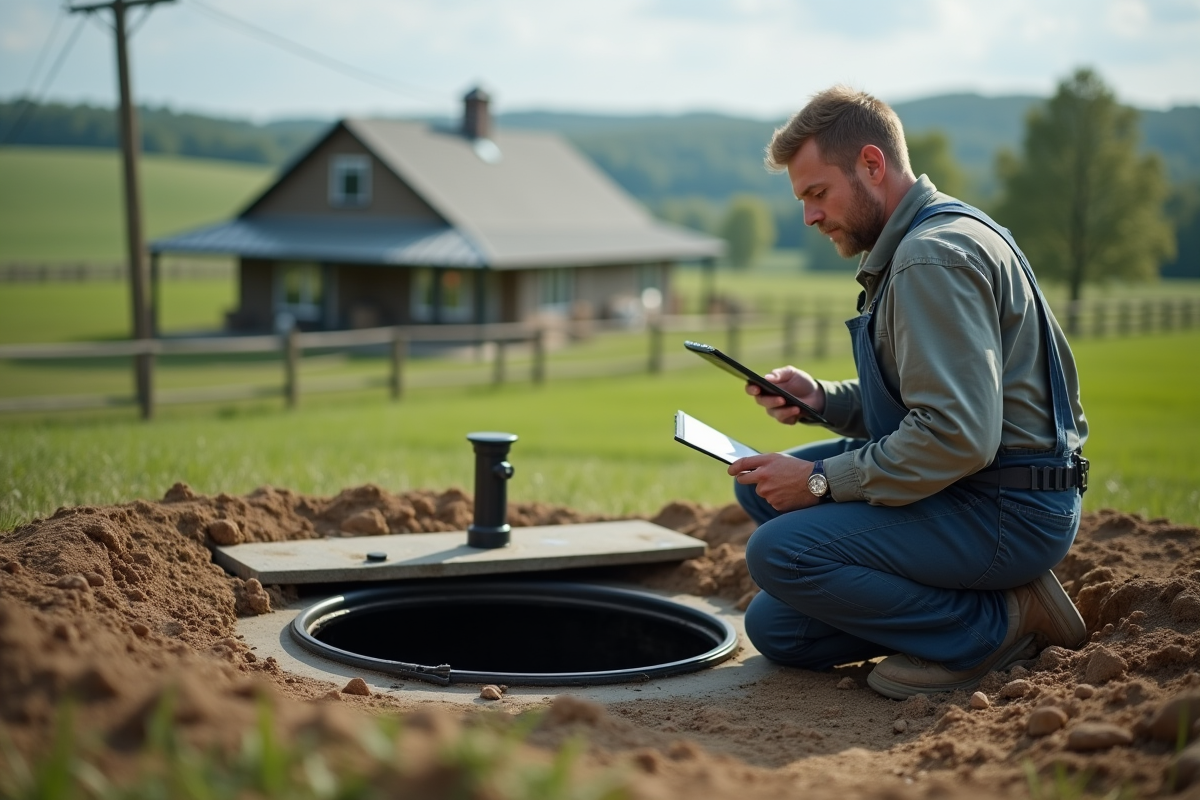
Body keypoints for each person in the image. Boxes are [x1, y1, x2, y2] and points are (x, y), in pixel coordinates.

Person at [727, 86, 1090, 699]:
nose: (810, 216)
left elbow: (956, 435)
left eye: (818, 193)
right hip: (978, 486)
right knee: (778, 626)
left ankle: (991, 628)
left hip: (1006, 508)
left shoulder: (929, 259)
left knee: (779, 552)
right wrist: (823, 400)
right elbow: (925, 403)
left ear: (872, 164)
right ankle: (972, 597)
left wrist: (819, 482)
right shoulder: (923, 240)